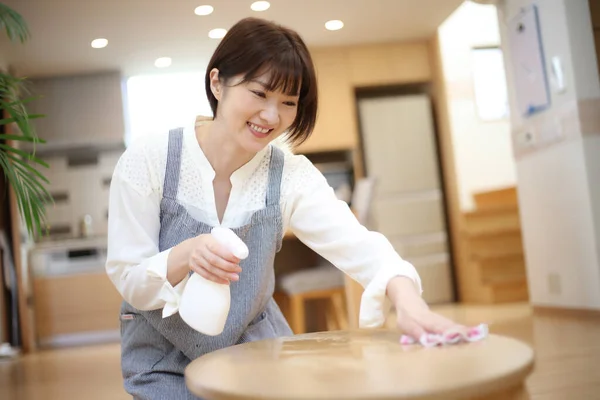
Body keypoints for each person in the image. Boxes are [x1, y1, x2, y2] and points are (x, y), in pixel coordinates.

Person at [106, 16, 463, 399]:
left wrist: (408, 301)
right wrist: (186, 254)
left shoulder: (289, 175)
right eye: (259, 94)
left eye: (288, 103)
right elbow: (128, 273)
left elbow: (360, 244)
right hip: (164, 360)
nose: (272, 117)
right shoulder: (149, 160)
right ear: (217, 83)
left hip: (254, 353)